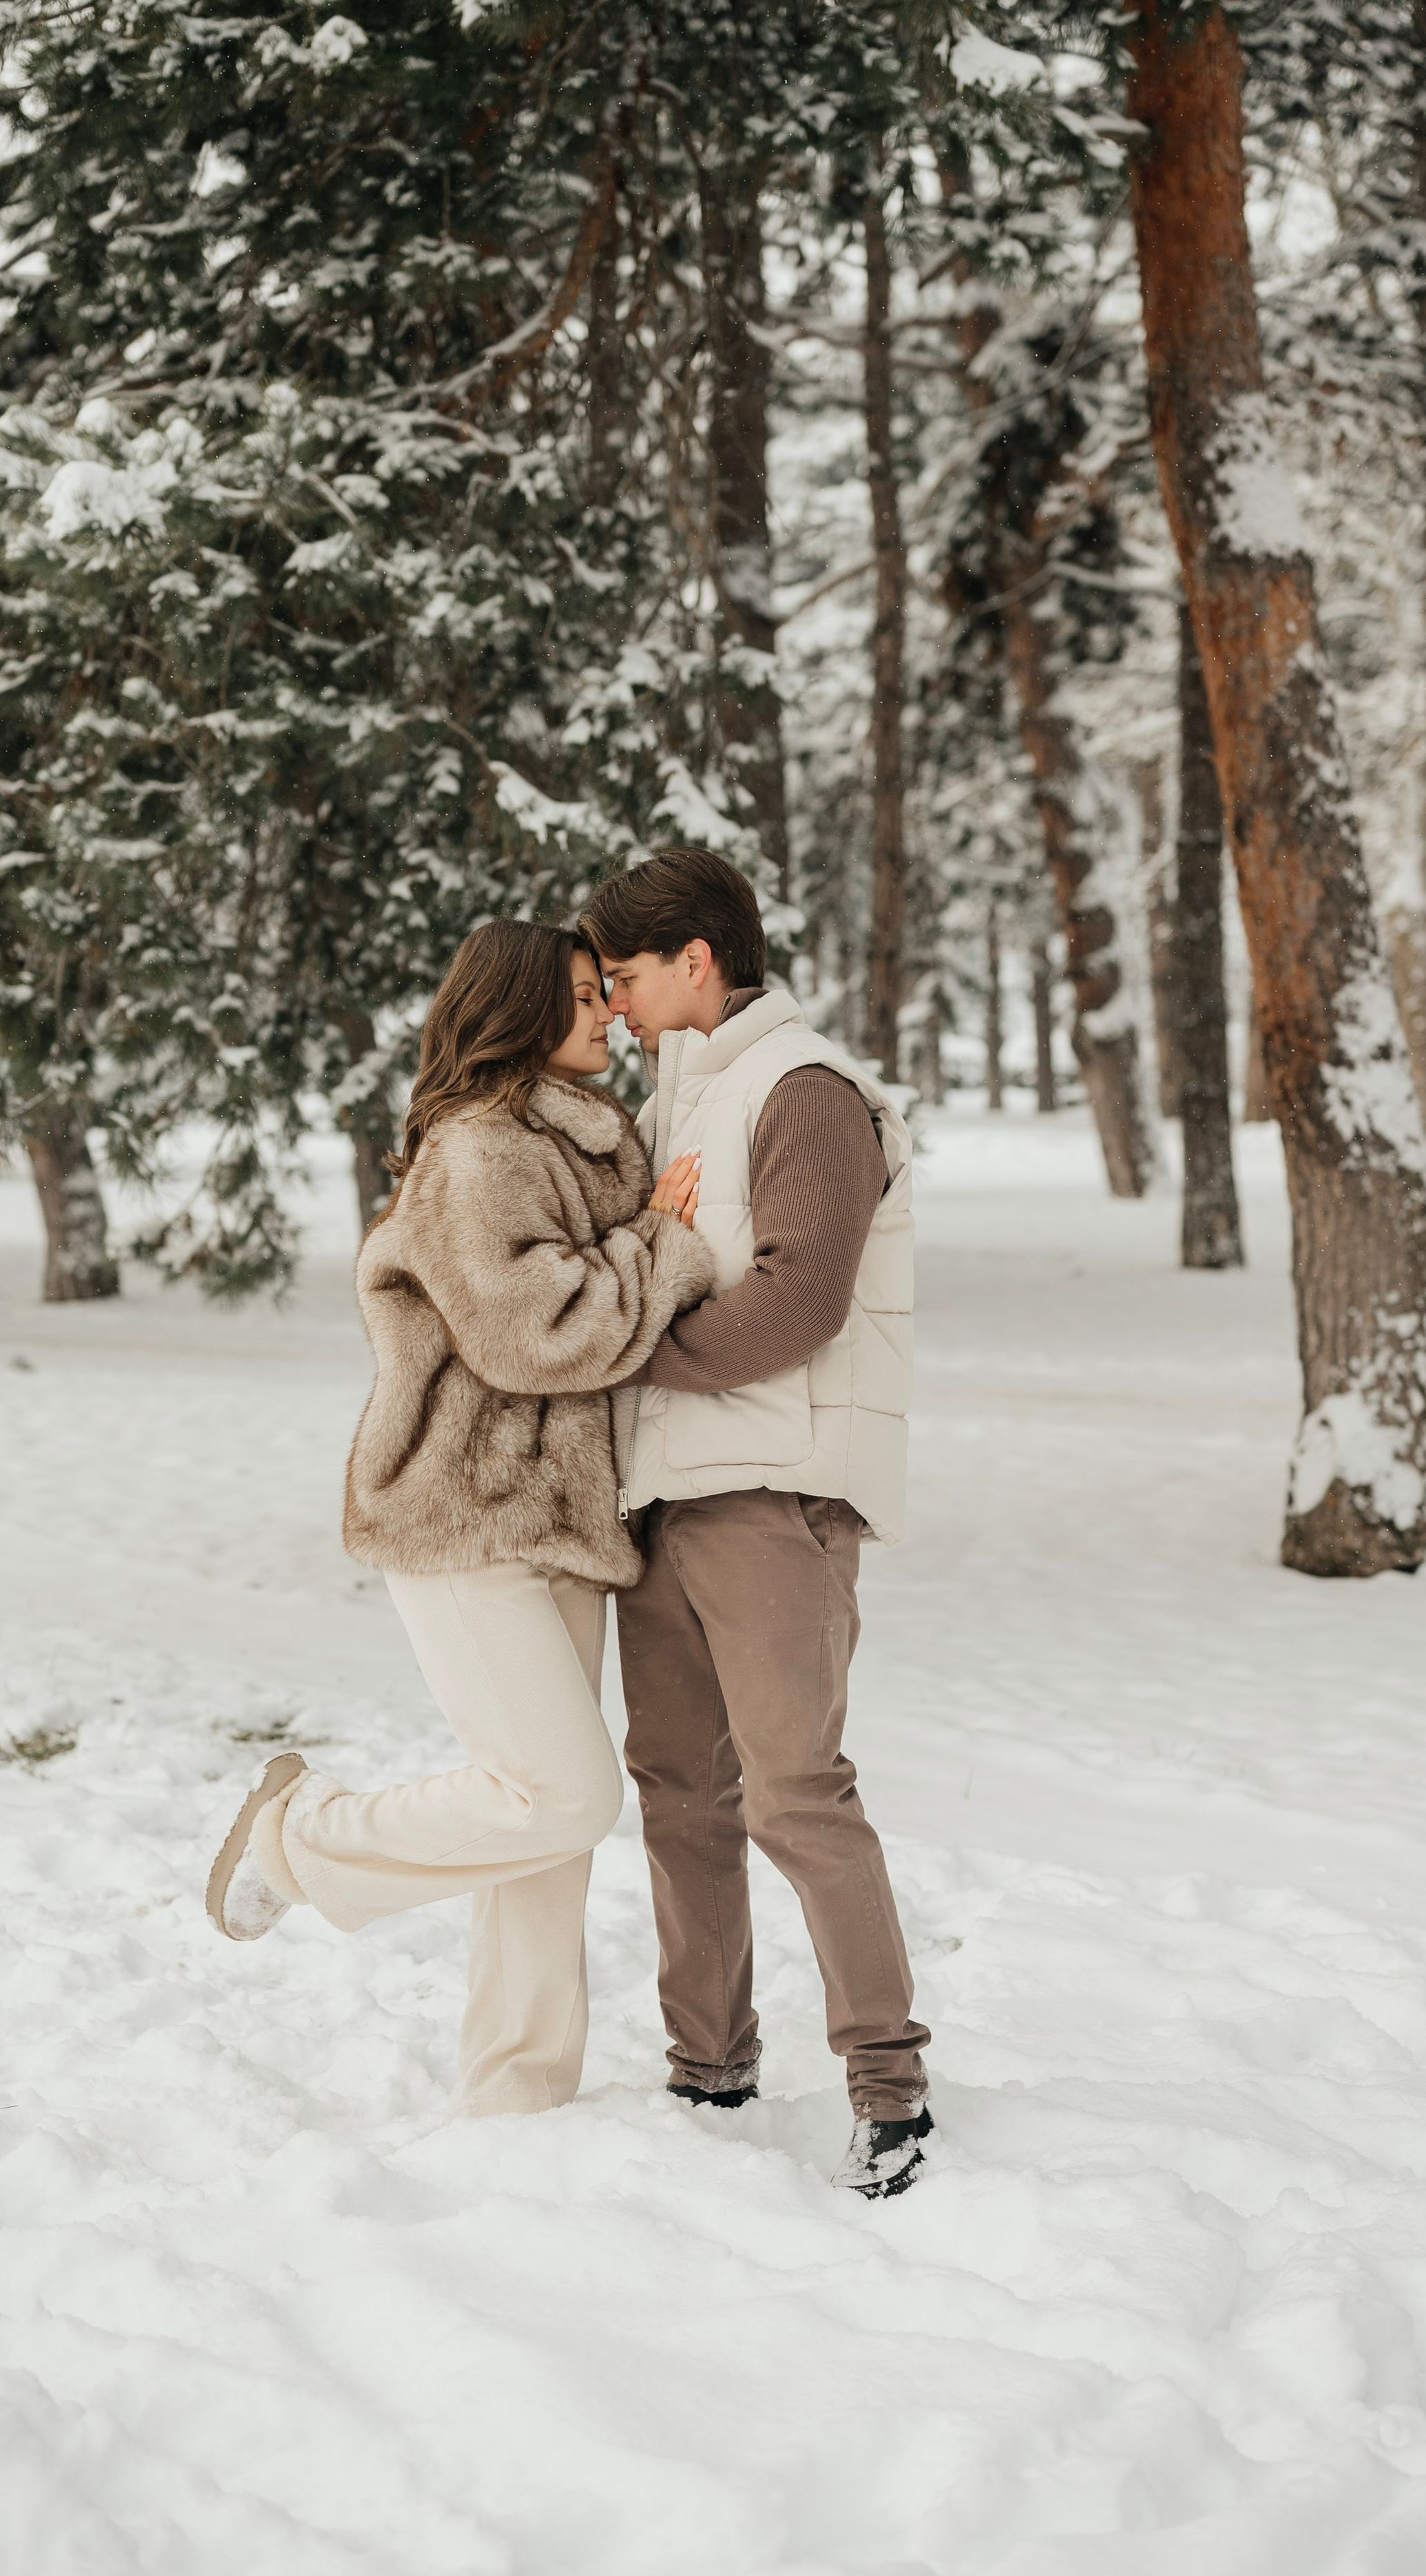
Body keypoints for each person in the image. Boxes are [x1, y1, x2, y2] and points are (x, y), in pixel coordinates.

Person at [203, 918, 715, 2119]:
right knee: (564, 1793)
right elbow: (531, 1333)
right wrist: (663, 1247)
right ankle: (299, 1837)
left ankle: (516, 2101)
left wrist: (647, 1232)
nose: (610, 1014)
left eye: (607, 993)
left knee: (546, 1833)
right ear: (522, 1009)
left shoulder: (593, 1143)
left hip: (570, 1517)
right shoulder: (481, 1148)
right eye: (586, 996)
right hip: (462, 1511)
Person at [580, 847, 933, 2200]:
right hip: (665, 1499)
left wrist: (625, 1352)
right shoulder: (682, 1107)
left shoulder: (804, 1091)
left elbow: (797, 1303)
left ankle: (889, 2092)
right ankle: (707, 2067)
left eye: (624, 973)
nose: (609, 1001)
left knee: (795, 1791)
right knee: (679, 1793)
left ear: (695, 961)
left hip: (774, 1495)